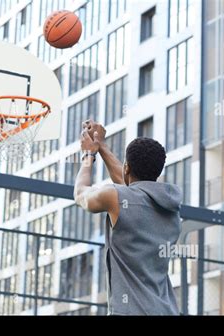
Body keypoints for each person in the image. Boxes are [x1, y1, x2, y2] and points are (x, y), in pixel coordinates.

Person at [74, 120, 182, 315]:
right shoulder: (171, 210)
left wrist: (88, 154)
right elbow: (131, 187)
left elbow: (81, 194)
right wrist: (101, 146)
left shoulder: (115, 197)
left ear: (127, 167)